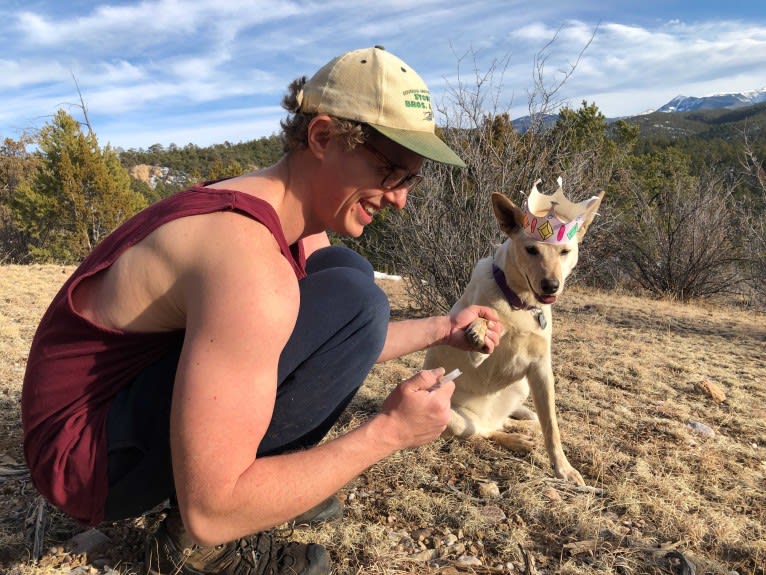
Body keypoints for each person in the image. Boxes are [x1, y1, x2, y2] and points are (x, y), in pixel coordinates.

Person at [21, 46, 502, 575]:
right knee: (355, 295)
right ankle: (192, 552)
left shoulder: (277, 210)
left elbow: (342, 336)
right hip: (87, 465)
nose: (399, 198)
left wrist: (443, 328)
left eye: (411, 178)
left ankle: (274, 479)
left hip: (111, 418)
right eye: (390, 170)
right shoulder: (246, 262)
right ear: (321, 137)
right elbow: (211, 511)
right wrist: (387, 432)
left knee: (349, 279)